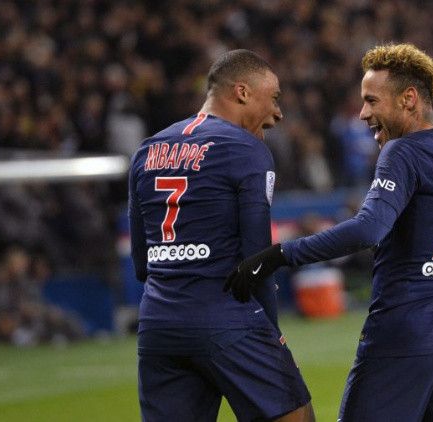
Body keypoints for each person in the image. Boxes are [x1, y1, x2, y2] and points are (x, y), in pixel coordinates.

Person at [226, 43, 433, 422]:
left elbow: (368, 229)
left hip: (403, 334)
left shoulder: (403, 152)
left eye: (372, 101)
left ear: (409, 99)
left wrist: (280, 255)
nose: (363, 113)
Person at [129, 49, 314, 422]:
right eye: (274, 98)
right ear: (243, 92)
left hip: (159, 326)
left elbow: (141, 262)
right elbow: (257, 258)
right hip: (228, 317)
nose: (278, 113)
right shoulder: (246, 150)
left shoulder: (147, 151)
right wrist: (273, 335)